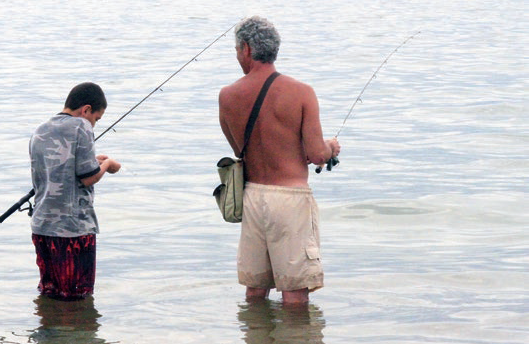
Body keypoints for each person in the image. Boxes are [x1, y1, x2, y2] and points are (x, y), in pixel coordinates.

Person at [219, 16, 340, 305]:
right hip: (290, 199)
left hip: (251, 197)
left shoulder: (227, 96)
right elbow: (316, 155)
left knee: (255, 291)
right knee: (295, 290)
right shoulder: (302, 92)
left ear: (246, 49)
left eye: (237, 50)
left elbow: (240, 149)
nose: (238, 55)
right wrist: (331, 148)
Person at [29, 82, 121, 300]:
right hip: (73, 231)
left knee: (50, 294)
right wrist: (108, 165)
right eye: (96, 119)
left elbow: (59, 170)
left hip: (42, 228)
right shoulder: (82, 126)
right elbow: (88, 177)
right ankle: (78, 333)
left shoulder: (40, 130)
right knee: (78, 297)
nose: (94, 125)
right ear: (86, 109)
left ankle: (51, 331)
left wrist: (92, 161)